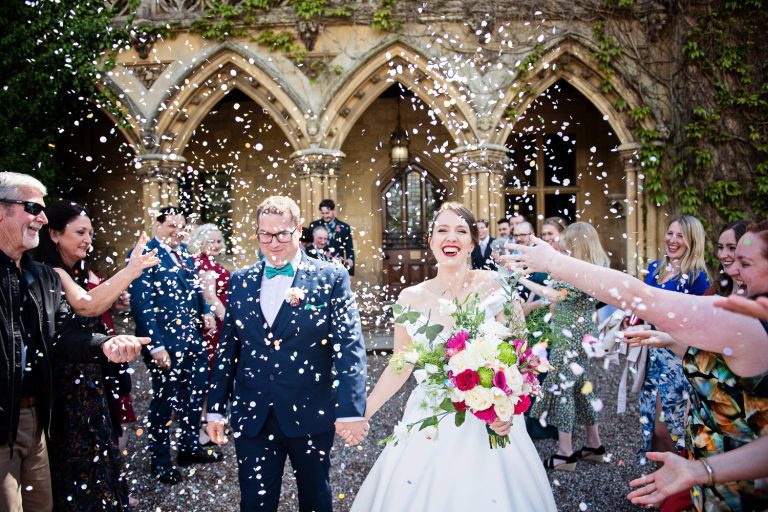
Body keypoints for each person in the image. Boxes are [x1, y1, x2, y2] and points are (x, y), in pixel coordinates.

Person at [504, 220, 768, 512]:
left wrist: (554, 261)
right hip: (726, 472)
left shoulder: (743, 320)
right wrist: (670, 340)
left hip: (737, 494)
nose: (731, 269)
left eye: (744, 262)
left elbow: (640, 297)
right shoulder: (750, 318)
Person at [350, 202, 557, 511]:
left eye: (461, 231)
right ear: (431, 240)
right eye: (442, 230)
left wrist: (506, 407)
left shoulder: (496, 287)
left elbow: (522, 357)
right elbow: (400, 364)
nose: (451, 238)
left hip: (490, 417)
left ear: (473, 242)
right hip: (430, 416)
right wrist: (364, 411)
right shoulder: (410, 298)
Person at [206, 195, 368, 512]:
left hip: (310, 409)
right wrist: (215, 409)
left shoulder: (330, 278)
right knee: (254, 502)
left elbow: (348, 345)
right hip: (253, 415)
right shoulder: (240, 280)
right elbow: (228, 348)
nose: (274, 242)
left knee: (316, 498)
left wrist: (351, 408)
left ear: (299, 230)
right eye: (265, 234)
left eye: (282, 233)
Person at [0, 172, 147, 511]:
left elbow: (63, 335)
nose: (42, 216)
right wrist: (130, 270)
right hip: (7, 417)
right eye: (32, 207)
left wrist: (104, 345)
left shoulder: (40, 276)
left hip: (37, 415)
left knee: (44, 503)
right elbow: (87, 304)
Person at [36, 199, 159, 510]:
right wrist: (130, 271)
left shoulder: (77, 270)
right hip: (65, 389)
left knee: (102, 456)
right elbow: (87, 304)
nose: (87, 240)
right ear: (53, 234)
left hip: (90, 381)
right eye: (79, 232)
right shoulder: (50, 270)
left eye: (90, 232)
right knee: (77, 465)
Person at [129, 206, 218, 485]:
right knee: (164, 403)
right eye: (171, 226)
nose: (177, 232)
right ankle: (160, 460)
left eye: (181, 226)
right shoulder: (146, 257)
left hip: (192, 340)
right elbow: (142, 306)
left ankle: (190, 448)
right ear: (157, 226)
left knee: (194, 396)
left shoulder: (186, 256)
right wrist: (156, 346)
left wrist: (205, 310)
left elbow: (195, 290)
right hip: (166, 343)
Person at [519, 222, 609, 470]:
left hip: (569, 337)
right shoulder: (595, 268)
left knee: (562, 391)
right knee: (581, 387)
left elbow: (554, 296)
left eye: (568, 242)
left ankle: (565, 453)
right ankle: (594, 445)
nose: (564, 246)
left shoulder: (579, 273)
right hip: (582, 335)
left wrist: (522, 280)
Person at [639, 215, 710, 460]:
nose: (673, 240)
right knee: (652, 428)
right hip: (654, 355)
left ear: (692, 241)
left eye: (680, 236)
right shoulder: (655, 269)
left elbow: (702, 325)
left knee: (669, 427)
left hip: (678, 359)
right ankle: (662, 489)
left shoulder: (697, 278)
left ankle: (679, 487)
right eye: (670, 233)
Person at [308, 198, 355, 275]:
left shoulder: (344, 227)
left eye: (327, 213)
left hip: (336, 268)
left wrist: (350, 273)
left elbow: (350, 250)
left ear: (334, 210)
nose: (325, 216)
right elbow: (308, 246)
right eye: (323, 213)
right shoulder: (314, 225)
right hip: (317, 268)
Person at [712, 220, 749, 296]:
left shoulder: (758, 292)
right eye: (720, 247)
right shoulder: (715, 288)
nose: (722, 255)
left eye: (732, 248)